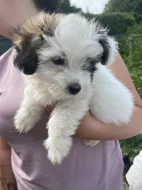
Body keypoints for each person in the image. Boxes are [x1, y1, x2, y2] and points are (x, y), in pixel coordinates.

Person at [0, 0, 142, 190]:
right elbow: (4, 147)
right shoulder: (5, 64)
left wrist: (88, 129)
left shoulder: (87, 40)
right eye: (59, 61)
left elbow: (137, 115)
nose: (75, 79)